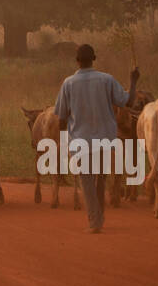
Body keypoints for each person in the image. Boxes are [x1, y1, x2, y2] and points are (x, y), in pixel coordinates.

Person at [52, 43, 140, 234]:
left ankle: (95, 220)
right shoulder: (106, 80)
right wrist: (133, 81)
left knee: (87, 181)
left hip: (80, 141)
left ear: (77, 61)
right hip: (105, 140)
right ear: (94, 59)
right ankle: (98, 216)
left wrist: (63, 141)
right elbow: (129, 102)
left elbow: (61, 118)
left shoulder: (68, 83)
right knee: (100, 178)